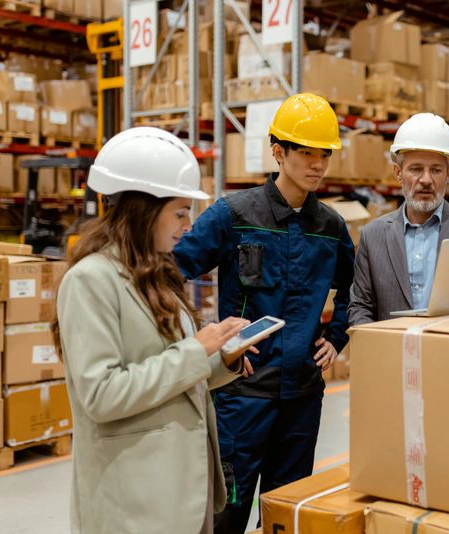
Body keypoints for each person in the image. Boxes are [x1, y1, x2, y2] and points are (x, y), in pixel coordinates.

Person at [56, 127, 255, 533]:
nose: (188, 224)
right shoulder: (90, 281)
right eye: (180, 212)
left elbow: (169, 372)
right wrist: (197, 353)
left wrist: (221, 361)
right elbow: (102, 394)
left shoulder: (154, 273)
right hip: (134, 500)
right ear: (143, 210)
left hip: (181, 491)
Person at [173, 93, 355, 532]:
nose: (317, 164)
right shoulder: (233, 215)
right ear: (279, 152)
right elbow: (171, 270)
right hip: (242, 395)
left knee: (284, 513)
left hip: (302, 398)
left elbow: (354, 289)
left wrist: (337, 338)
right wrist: (204, 339)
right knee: (226, 514)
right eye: (306, 152)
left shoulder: (330, 227)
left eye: (323, 155)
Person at [348, 113, 449, 325]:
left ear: (448, 173)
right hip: (392, 354)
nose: (426, 180)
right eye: (416, 169)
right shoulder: (373, 236)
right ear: (398, 172)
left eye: (436, 170)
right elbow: (360, 305)